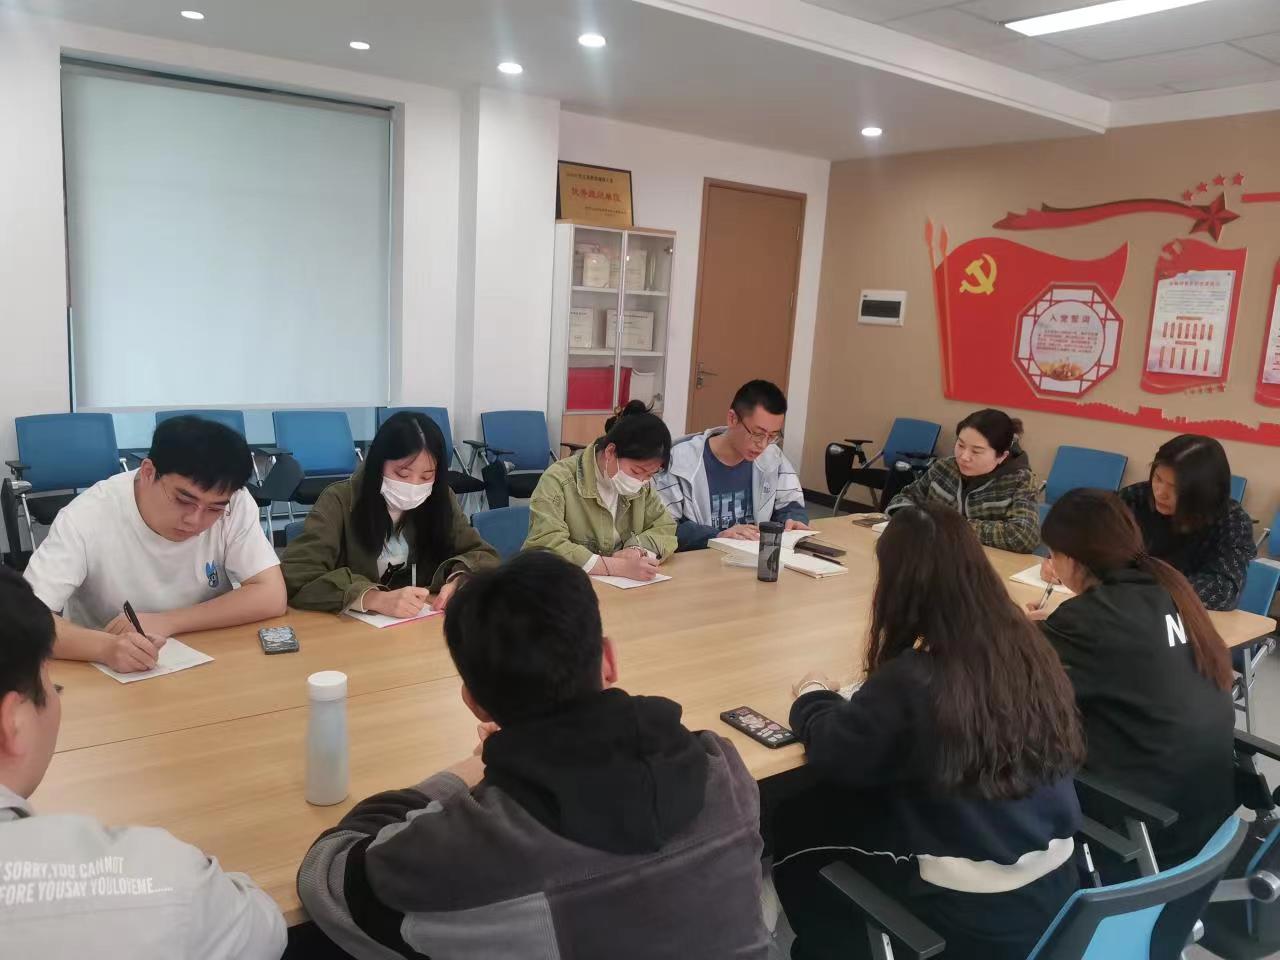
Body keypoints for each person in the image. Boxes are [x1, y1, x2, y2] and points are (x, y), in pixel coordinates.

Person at [296, 550, 769, 959]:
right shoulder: (722, 767)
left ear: (473, 702)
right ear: (608, 660)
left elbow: (327, 873)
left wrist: (467, 771)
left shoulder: (476, 843)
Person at [775, 503, 1084, 960]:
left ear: (898, 586)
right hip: (1056, 893)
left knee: (793, 824)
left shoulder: (916, 678)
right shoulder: (1027, 651)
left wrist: (812, 697)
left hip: (969, 913)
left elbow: (836, 751)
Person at [0, 567, 285, 958]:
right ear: (13, 722)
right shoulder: (152, 882)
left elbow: (272, 593)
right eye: (53, 685)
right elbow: (264, 929)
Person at [1029, 489, 1235, 868]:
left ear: (1071, 559)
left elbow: (1015, 687)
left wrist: (1020, 628)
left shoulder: (1088, 619)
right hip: (1209, 816)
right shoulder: (1170, 590)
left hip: (1147, 827)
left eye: (1053, 554)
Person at [23, 416, 285, 673]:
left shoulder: (235, 502)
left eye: (214, 509)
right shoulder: (86, 516)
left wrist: (168, 622)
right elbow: (23, 621)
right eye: (183, 500)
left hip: (208, 656)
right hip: (107, 670)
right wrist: (105, 648)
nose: (195, 520)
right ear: (148, 472)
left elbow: (271, 594)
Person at [282, 411, 498, 615]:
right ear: (378, 464)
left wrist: (461, 578)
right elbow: (298, 575)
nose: (414, 486)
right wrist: (372, 598)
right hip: (352, 629)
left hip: (422, 625)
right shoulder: (339, 500)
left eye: (426, 476)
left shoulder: (441, 499)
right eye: (402, 474)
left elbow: (485, 556)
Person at [524, 401, 676, 580]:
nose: (641, 481)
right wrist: (618, 566)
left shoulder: (643, 487)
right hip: (567, 586)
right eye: (636, 471)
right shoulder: (558, 480)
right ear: (610, 452)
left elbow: (665, 527)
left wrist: (636, 550)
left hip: (622, 587)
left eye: (650, 475)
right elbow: (546, 546)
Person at [657, 379, 811, 551]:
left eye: (772, 436)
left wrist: (793, 520)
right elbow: (662, 527)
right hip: (701, 558)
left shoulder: (772, 457)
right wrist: (716, 535)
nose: (763, 444)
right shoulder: (680, 460)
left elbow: (790, 504)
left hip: (753, 558)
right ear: (732, 418)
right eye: (757, 434)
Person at [1118, 434, 1254, 611]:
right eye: (1158, 479)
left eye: (1175, 488)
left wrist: (1145, 586)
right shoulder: (1134, 498)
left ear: (1204, 491)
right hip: (1124, 607)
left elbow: (1223, 590)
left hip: (1183, 617)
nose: (1160, 493)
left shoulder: (1231, 521)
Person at [886, 408, 1039, 553]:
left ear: (1001, 456)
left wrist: (951, 525)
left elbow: (1024, 536)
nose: (964, 457)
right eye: (960, 445)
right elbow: (903, 499)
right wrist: (916, 518)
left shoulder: (1020, 480)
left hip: (984, 564)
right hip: (933, 555)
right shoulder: (943, 468)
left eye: (976, 451)